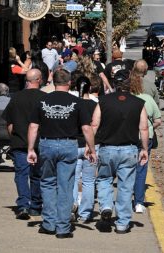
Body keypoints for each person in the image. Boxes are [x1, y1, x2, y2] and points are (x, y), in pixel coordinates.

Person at [27, 69, 97, 239]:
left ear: (53, 82)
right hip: (68, 144)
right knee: (66, 185)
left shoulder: (42, 100)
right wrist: (92, 148)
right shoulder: (77, 102)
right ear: (69, 83)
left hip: (47, 143)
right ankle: (63, 227)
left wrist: (30, 149)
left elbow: (33, 126)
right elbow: (87, 128)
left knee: (48, 183)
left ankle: (49, 223)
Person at [91, 69, 149, 234]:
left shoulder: (103, 101)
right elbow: (144, 128)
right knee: (125, 186)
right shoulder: (138, 103)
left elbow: (94, 124)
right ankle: (122, 223)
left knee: (103, 179)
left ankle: (106, 206)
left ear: (115, 83)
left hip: (107, 148)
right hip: (129, 148)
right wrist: (144, 149)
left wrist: (90, 146)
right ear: (129, 83)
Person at [3, 69, 46, 220]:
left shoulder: (15, 98)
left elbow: (9, 123)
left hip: (20, 142)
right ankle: (35, 205)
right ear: (39, 79)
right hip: (40, 143)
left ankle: (23, 205)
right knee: (37, 175)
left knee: (21, 174)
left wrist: (13, 137)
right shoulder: (45, 98)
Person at [129, 67, 162, 213]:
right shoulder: (148, 99)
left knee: (127, 169)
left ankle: (125, 198)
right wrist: (149, 127)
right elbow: (158, 120)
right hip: (145, 137)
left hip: (128, 136)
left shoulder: (126, 99)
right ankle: (139, 202)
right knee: (141, 170)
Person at [72, 75, 99, 223]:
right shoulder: (96, 105)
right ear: (90, 88)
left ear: (76, 88)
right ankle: (86, 213)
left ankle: (73, 204)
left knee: (73, 179)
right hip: (91, 145)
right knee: (89, 181)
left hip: (75, 144)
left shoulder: (72, 104)